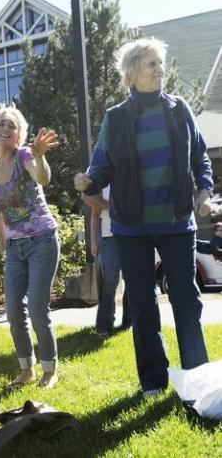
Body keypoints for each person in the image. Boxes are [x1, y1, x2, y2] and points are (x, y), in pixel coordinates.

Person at [74, 38, 213, 397]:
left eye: (160, 63)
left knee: (186, 300)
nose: (159, 69)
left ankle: (197, 379)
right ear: (132, 72)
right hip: (131, 227)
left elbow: (201, 157)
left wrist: (205, 190)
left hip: (177, 222)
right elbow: (101, 167)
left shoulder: (179, 109)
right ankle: (154, 380)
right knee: (142, 304)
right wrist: (88, 180)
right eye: (152, 63)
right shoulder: (116, 117)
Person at [0, 105, 60, 388]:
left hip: (42, 239)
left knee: (38, 309)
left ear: (19, 135)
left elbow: (43, 178)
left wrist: (40, 157)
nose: (6, 129)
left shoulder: (26, 155)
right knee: (14, 310)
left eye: (12, 126)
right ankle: (26, 369)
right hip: (15, 247)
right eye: (1, 124)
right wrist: (4, 248)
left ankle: (50, 370)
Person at [82, 186, 131, 337]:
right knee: (110, 281)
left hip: (132, 235)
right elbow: (95, 213)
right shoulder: (101, 178)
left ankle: (128, 322)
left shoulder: (130, 173)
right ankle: (104, 325)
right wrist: (93, 243)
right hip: (108, 237)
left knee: (132, 280)